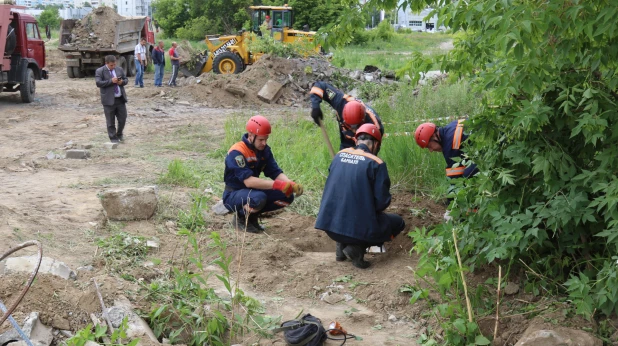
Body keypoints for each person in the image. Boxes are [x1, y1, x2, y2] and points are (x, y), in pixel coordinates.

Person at [315, 124, 405, 269]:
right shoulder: (376, 163)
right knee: (398, 223)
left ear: (357, 141)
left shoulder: (339, 155)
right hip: (355, 229)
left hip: (330, 226)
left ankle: (342, 245)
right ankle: (357, 247)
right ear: (376, 144)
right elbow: (381, 203)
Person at [223, 116, 304, 233]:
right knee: (259, 198)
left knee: (287, 196)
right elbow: (249, 181)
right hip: (233, 194)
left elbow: (275, 172)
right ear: (251, 136)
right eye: (261, 140)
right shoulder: (237, 152)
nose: (264, 143)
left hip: (253, 191)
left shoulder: (264, 150)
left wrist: (291, 184)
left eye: (266, 139)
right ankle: (241, 218)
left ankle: (252, 216)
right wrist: (278, 185)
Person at [310, 81, 384, 151]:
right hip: (346, 140)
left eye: (356, 126)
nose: (353, 129)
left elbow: (371, 156)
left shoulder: (374, 125)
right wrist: (315, 106)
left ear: (363, 119)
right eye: (351, 126)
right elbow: (319, 86)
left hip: (365, 138)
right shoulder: (339, 102)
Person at [414, 120, 478, 179]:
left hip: (484, 154)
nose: (431, 150)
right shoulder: (452, 126)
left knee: (466, 174)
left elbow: (454, 176)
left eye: (429, 146)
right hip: (483, 144)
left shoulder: (449, 145)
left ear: (434, 137)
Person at [95, 55, 128, 144]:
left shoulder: (119, 69)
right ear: (106, 63)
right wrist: (111, 81)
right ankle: (113, 138)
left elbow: (125, 79)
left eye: (114, 65)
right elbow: (98, 83)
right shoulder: (100, 71)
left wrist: (122, 82)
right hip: (108, 100)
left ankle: (119, 134)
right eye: (111, 65)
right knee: (110, 121)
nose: (113, 67)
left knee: (123, 118)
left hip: (120, 99)